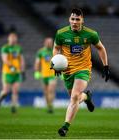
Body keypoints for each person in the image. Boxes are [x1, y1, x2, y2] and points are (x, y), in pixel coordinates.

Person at [51, 8, 110, 136]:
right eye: (72, 19)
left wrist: (105, 66)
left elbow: (101, 48)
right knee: (76, 98)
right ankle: (87, 97)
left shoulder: (91, 34)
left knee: (74, 97)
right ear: (69, 20)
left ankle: (65, 127)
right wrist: (54, 64)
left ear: (82, 20)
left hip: (83, 70)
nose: (75, 22)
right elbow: (56, 48)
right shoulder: (61, 34)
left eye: (77, 19)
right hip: (67, 71)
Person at [0, 33, 25, 114]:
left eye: (14, 38)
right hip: (7, 73)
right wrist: (11, 67)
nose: (13, 40)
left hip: (17, 73)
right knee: (5, 91)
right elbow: (4, 59)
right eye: (11, 38)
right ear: (8, 39)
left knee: (15, 91)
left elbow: (21, 59)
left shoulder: (18, 48)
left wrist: (22, 70)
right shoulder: (5, 48)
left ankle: (13, 108)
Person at [34, 38, 56, 113]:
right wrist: (37, 72)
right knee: (46, 92)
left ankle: (51, 106)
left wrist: (62, 72)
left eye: (50, 42)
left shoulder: (55, 51)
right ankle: (48, 106)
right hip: (44, 75)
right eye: (48, 42)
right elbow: (37, 62)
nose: (49, 43)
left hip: (52, 74)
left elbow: (59, 62)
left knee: (51, 90)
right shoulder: (40, 52)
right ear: (45, 43)